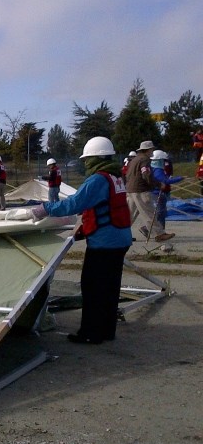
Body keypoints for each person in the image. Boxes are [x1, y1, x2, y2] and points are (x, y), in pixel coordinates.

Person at [30, 137, 131, 344]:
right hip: (120, 238)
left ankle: (90, 334)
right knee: (110, 288)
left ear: (95, 158)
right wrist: (86, 228)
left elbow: (75, 204)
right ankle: (106, 331)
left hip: (105, 243)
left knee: (92, 287)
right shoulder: (116, 177)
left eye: (87, 160)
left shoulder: (97, 180)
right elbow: (107, 207)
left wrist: (45, 208)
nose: (85, 164)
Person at [126, 141, 173, 243]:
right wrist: (158, 184)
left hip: (130, 190)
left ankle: (120, 234)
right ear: (148, 150)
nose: (152, 151)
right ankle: (158, 234)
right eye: (151, 149)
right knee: (149, 212)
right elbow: (146, 174)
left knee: (129, 215)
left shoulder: (134, 160)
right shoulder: (145, 160)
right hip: (141, 190)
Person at [149, 150, 183, 232]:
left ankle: (156, 229)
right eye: (163, 160)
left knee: (160, 211)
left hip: (154, 192)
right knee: (161, 212)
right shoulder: (158, 170)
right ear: (159, 160)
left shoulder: (152, 168)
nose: (164, 162)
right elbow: (164, 180)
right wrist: (179, 178)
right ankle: (159, 230)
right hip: (158, 193)